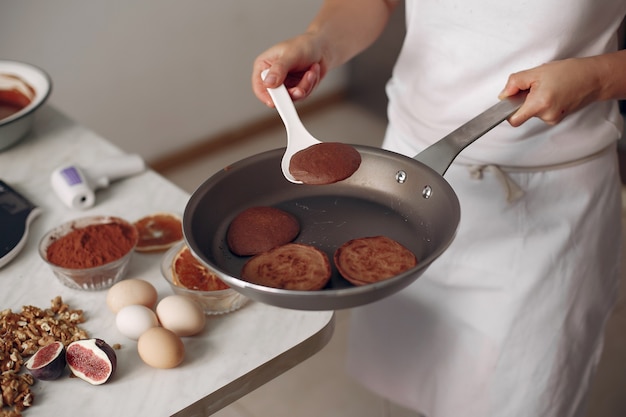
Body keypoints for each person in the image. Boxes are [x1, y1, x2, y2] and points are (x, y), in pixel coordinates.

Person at [251, 1, 626, 416]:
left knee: (524, 393)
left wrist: (596, 77)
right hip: (405, 179)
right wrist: (318, 40)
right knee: (414, 370)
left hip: (545, 202)